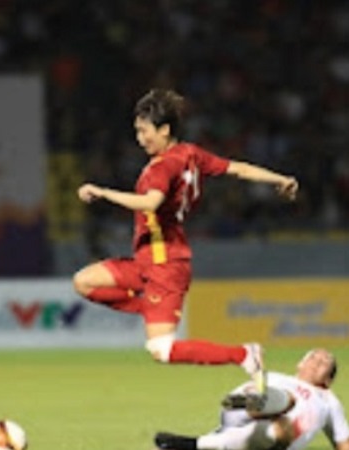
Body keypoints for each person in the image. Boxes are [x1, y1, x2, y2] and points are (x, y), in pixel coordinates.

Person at [73, 89, 299, 388]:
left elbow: (150, 203)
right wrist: (280, 179)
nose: (140, 138)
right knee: (84, 281)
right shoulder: (190, 154)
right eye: (137, 132)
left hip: (165, 265)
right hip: (147, 260)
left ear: (164, 130)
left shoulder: (162, 166)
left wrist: (103, 192)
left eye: (144, 131)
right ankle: (149, 306)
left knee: (161, 350)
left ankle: (244, 354)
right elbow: (239, 169)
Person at [153, 348, 349, 450]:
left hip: (269, 435)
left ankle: (196, 445)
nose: (317, 362)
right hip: (241, 411)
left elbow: (348, 447)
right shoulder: (278, 378)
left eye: (325, 364)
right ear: (299, 363)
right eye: (313, 357)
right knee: (281, 401)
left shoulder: (327, 399)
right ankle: (263, 405)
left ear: (327, 380)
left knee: (280, 425)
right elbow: (236, 398)